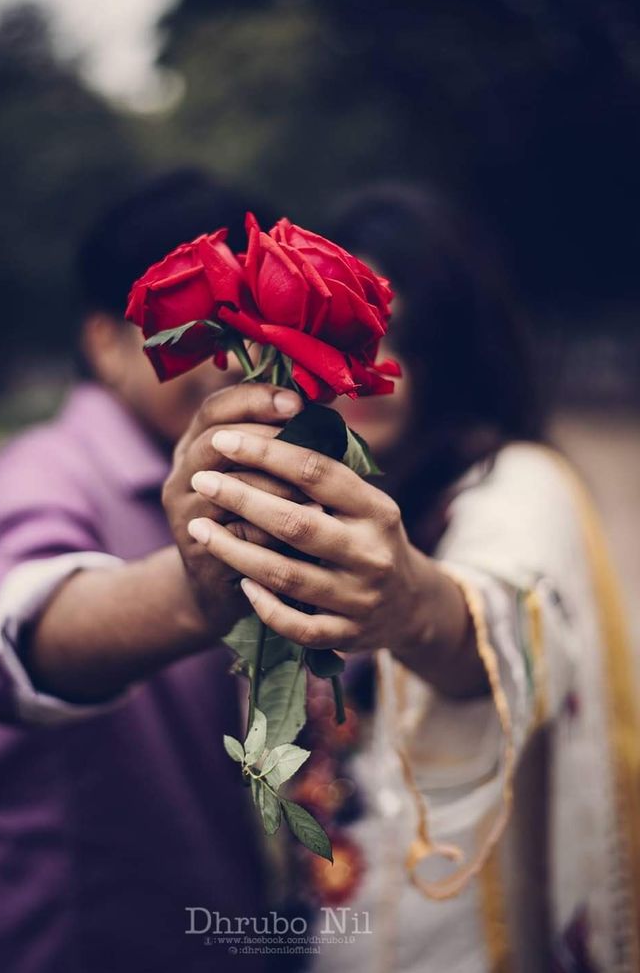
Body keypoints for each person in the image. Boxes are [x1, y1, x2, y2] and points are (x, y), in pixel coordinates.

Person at [175, 185, 640, 970]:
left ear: (452, 350)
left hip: (466, 933)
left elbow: (504, 615)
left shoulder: (519, 482)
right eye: (336, 333)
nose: (367, 365)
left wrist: (413, 610)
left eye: (391, 337)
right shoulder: (304, 492)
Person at [0, 170, 305, 973]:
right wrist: (194, 591)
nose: (231, 362)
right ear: (105, 341)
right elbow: (22, 630)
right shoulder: (40, 475)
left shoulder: (248, 473)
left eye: (254, 326)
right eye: (201, 332)